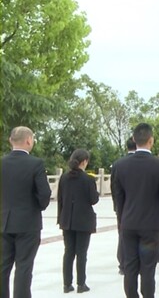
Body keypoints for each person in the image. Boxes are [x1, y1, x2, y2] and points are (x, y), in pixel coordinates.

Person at [112, 123, 159, 298]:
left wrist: (123, 216)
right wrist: (156, 207)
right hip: (151, 224)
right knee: (148, 268)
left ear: (134, 139)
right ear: (151, 140)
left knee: (130, 266)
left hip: (128, 222)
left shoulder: (120, 165)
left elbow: (118, 196)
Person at [1, 126, 51, 298]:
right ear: (29, 140)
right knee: (23, 267)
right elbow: (44, 194)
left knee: (2, 267)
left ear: (10, 140)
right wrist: (37, 207)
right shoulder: (35, 164)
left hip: (3, 222)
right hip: (27, 223)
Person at [57, 149, 99, 294]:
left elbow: (60, 199)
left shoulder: (63, 178)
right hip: (83, 220)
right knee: (82, 253)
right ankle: (81, 284)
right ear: (84, 161)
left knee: (68, 252)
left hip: (67, 219)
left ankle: (67, 284)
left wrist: (60, 218)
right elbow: (94, 200)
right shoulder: (88, 179)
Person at [111, 137, 137, 275]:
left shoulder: (118, 164)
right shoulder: (142, 162)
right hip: (138, 205)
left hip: (122, 205)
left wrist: (116, 204)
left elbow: (113, 186)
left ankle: (122, 263)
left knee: (122, 234)